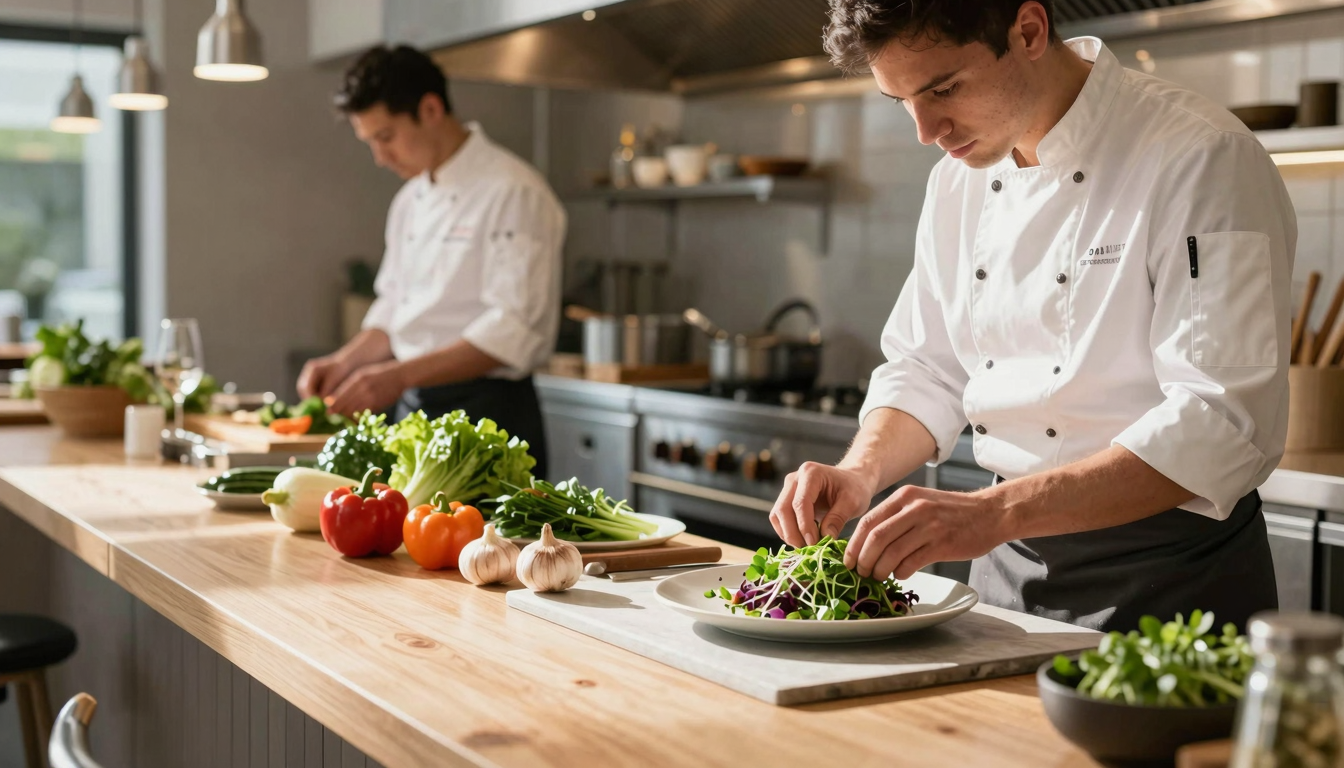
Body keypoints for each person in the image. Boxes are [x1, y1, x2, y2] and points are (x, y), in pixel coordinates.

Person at [771, 0, 1296, 632]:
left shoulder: (1201, 156)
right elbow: (929, 368)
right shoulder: (956, 181)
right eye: (902, 101)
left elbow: (1223, 420)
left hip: (1172, 583)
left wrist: (995, 513)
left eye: (944, 88)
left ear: (1027, 31)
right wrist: (861, 471)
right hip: (1002, 574)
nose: (927, 130)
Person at [298, 45, 565, 477]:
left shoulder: (515, 191)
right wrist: (344, 362)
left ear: (431, 109)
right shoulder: (409, 200)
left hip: (490, 419)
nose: (380, 157)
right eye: (370, 142)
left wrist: (397, 376)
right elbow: (394, 307)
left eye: (386, 137)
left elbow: (513, 330)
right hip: (416, 412)